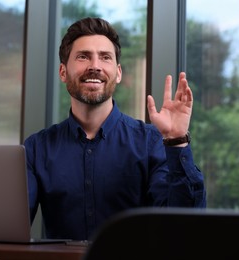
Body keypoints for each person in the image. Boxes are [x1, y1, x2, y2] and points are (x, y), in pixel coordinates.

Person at [24, 17, 206, 241]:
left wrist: (178, 140)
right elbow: (8, 226)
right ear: (63, 72)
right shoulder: (36, 148)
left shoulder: (151, 142)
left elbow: (182, 225)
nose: (95, 66)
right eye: (83, 56)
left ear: (118, 73)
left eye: (105, 57)